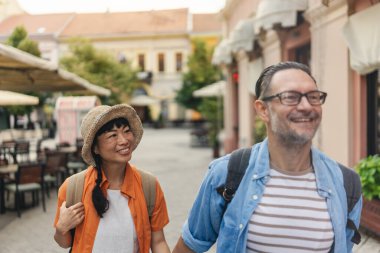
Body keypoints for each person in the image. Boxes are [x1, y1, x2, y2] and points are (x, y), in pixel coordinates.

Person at [173, 61, 362, 253]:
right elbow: (189, 247)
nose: (306, 106)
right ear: (263, 110)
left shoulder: (346, 184)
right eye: (291, 97)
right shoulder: (227, 173)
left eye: (313, 97)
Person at [53, 104, 170, 253]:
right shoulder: (73, 187)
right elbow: (64, 243)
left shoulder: (149, 185)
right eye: (112, 135)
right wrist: (61, 228)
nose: (123, 140)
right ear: (95, 148)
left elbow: (158, 242)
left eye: (127, 131)